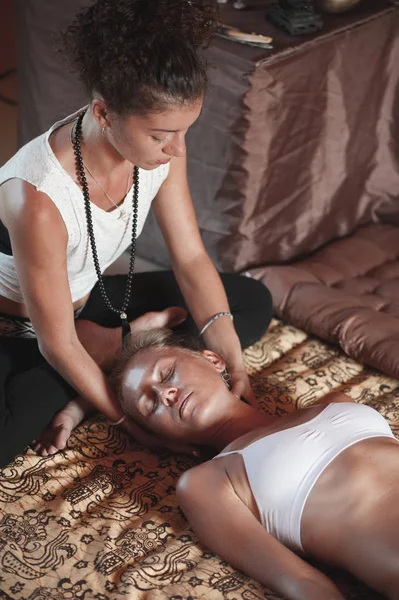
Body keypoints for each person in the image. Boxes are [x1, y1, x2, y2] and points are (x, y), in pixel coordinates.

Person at [0, 0, 273, 468]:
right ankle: (109, 358)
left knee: (247, 304)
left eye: (186, 130)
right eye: (162, 135)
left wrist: (230, 353)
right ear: (104, 112)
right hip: (27, 331)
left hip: (90, 301)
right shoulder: (36, 197)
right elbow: (56, 341)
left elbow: (189, 258)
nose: (177, 148)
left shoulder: (162, 149)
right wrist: (134, 426)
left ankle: (109, 358)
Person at [111, 328, 399, 600]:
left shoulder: (336, 402)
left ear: (213, 360)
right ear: (162, 434)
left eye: (167, 373)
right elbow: (303, 583)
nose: (164, 394)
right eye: (149, 405)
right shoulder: (204, 482)